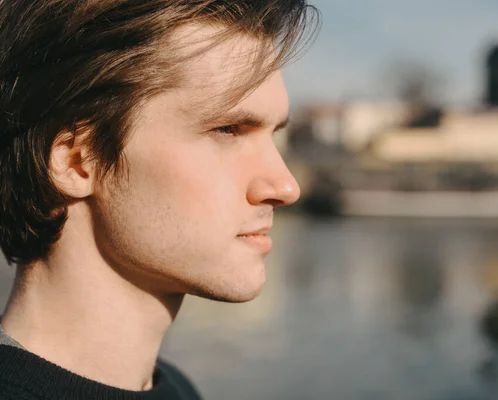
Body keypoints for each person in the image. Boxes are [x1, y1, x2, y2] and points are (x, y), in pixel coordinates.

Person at [0, 1, 319, 399]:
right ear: (76, 161)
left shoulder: (180, 389)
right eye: (228, 130)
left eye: (273, 135)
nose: (287, 187)